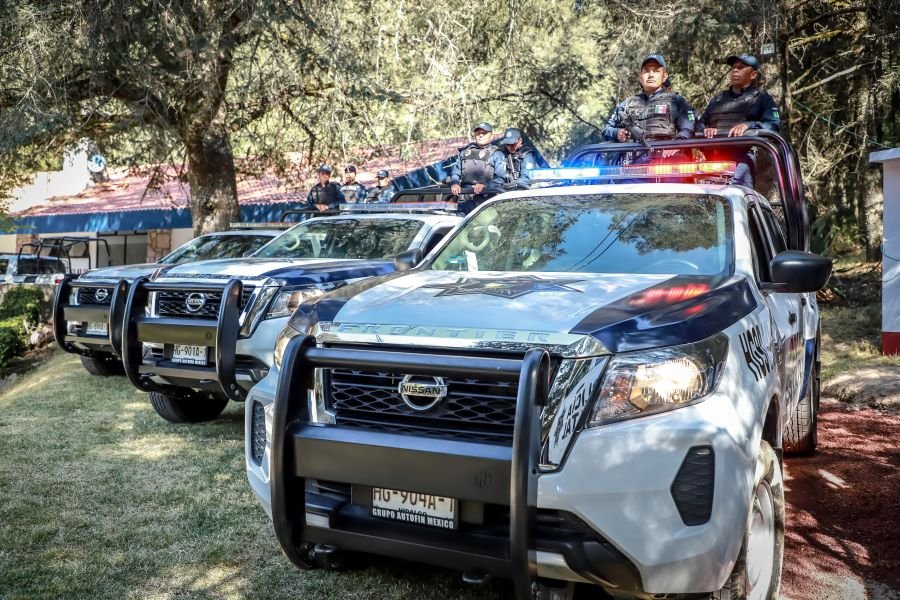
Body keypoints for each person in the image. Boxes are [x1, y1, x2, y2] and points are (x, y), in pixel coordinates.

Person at [697, 54, 781, 187]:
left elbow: (773, 126)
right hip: (711, 160)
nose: (735, 70)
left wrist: (748, 126)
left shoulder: (762, 99)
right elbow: (700, 123)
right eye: (734, 67)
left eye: (741, 67)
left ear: (753, 75)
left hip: (742, 159)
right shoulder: (717, 99)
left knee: (739, 199)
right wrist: (705, 130)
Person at [603, 55, 696, 153]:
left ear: (664, 76)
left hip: (667, 160)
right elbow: (606, 130)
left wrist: (677, 144)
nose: (651, 75)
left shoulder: (676, 100)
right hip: (633, 162)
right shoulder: (626, 104)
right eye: (647, 71)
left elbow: (689, 126)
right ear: (640, 77)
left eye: (656, 71)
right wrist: (617, 133)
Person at [450, 122, 506, 214]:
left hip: (486, 202)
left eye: (484, 133)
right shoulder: (465, 152)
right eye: (478, 133)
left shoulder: (497, 154)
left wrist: (485, 186)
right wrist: (455, 183)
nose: (480, 135)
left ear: (491, 136)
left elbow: (500, 179)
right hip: (464, 200)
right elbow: (456, 172)